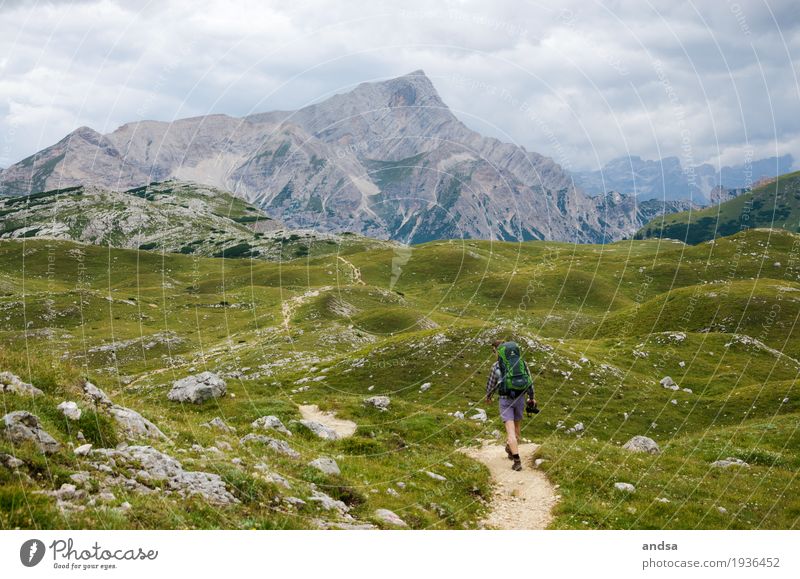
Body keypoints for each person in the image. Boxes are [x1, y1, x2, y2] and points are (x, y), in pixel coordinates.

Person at [485, 339, 536, 471]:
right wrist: (532, 397)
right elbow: (529, 381)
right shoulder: (522, 363)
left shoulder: (496, 366)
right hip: (520, 398)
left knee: (510, 431)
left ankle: (517, 461)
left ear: (497, 351)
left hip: (505, 400)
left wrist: (488, 396)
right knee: (517, 427)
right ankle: (510, 448)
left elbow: (491, 384)